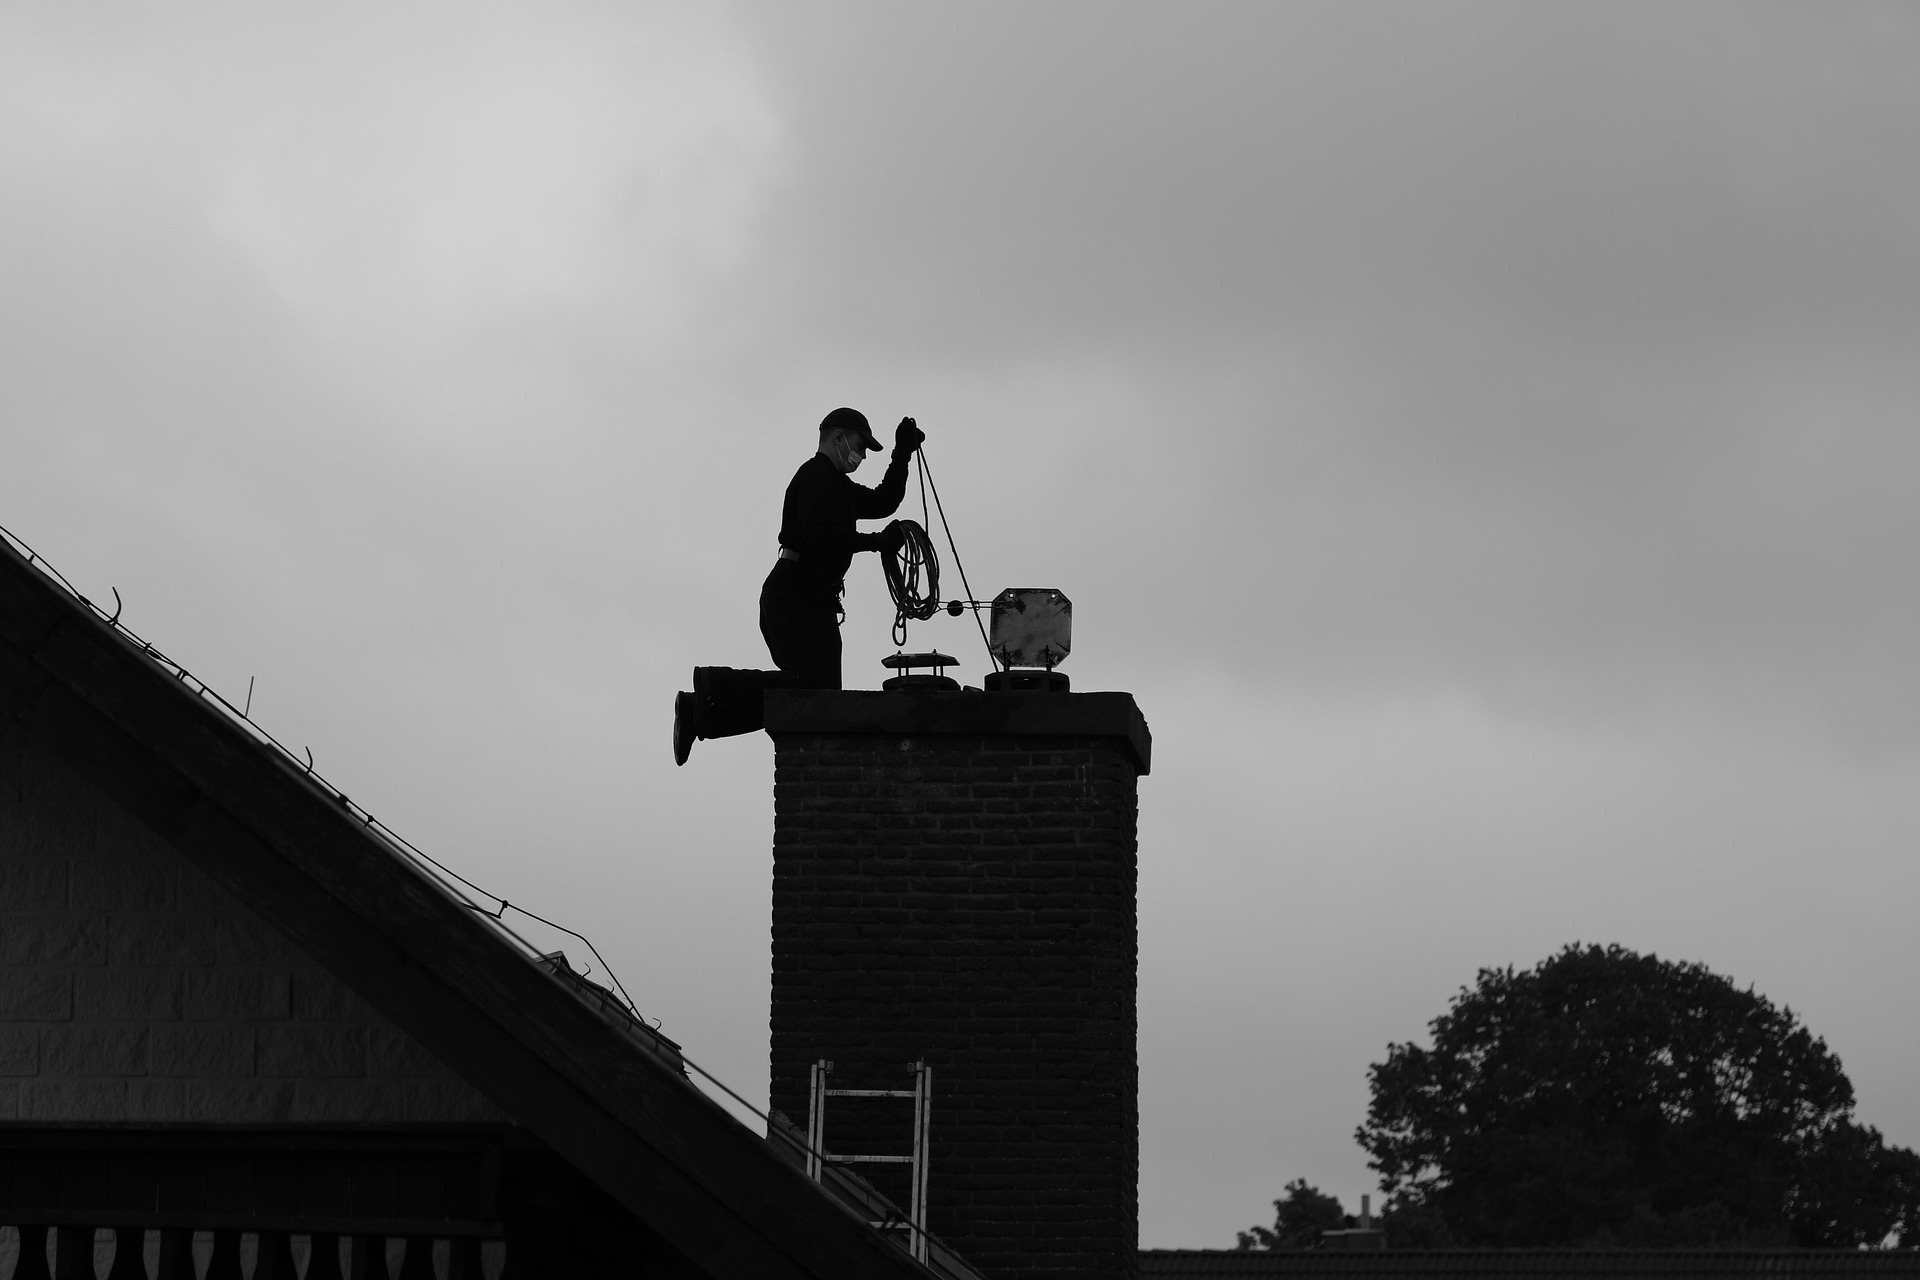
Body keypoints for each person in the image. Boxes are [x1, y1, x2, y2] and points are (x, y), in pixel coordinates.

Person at [674, 407, 927, 764]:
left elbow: (885, 500)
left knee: (821, 700)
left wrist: (903, 453)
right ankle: (707, 696)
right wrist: (875, 542)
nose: (862, 456)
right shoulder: (814, 477)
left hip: (814, 603)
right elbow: (820, 536)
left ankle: (702, 709)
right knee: (812, 696)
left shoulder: (838, 486)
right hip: (792, 599)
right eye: (859, 445)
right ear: (838, 438)